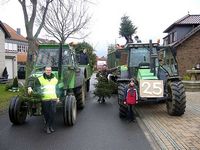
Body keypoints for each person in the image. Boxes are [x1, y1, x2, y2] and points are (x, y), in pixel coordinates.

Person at [28, 66, 58, 134]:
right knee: (46, 114)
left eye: (49, 70)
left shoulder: (54, 79)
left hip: (53, 98)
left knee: (53, 113)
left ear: (51, 71)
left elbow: (58, 87)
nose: (48, 71)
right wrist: (29, 87)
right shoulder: (40, 79)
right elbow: (33, 83)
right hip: (45, 99)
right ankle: (47, 127)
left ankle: (49, 126)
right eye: (47, 70)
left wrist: (58, 96)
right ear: (44, 71)